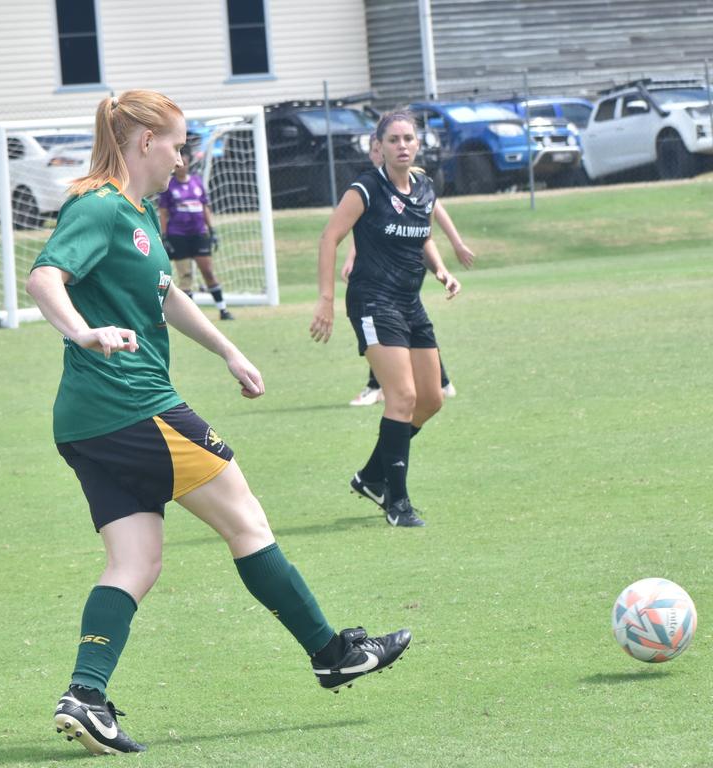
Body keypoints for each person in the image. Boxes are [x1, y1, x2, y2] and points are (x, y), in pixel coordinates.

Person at [27, 90, 411, 756]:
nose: (184, 157)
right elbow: (44, 279)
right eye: (178, 143)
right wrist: (85, 333)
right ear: (146, 140)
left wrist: (228, 349)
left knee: (136, 561)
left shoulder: (139, 213)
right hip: (132, 407)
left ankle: (84, 696)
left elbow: (165, 293)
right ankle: (330, 653)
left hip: (90, 425)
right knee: (248, 522)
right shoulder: (99, 207)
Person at [310, 110, 461, 527]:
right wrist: (325, 298)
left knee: (430, 399)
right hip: (373, 301)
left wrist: (442, 271)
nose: (402, 145)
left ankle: (372, 476)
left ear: (418, 143)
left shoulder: (425, 187)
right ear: (379, 146)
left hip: (410, 302)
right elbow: (330, 237)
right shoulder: (366, 188)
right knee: (403, 397)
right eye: (393, 139)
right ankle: (398, 502)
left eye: (408, 138)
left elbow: (423, 236)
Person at [342, 138, 473, 407]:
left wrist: (451, 252)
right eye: (375, 150)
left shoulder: (417, 184)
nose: (379, 154)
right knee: (392, 332)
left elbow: (431, 220)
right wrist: (351, 255)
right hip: (381, 283)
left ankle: (380, 386)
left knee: (396, 332)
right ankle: (438, 382)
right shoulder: (370, 187)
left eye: (405, 140)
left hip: (400, 279)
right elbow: (368, 228)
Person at [158, 146, 234, 320]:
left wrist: (212, 230)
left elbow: (205, 207)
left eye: (184, 163)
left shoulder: (197, 182)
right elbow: (163, 212)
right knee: (185, 276)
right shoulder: (169, 186)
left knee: (208, 271)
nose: (181, 166)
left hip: (199, 234)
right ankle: (189, 317)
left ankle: (223, 310)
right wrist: (165, 236)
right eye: (178, 163)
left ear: (188, 164)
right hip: (178, 235)